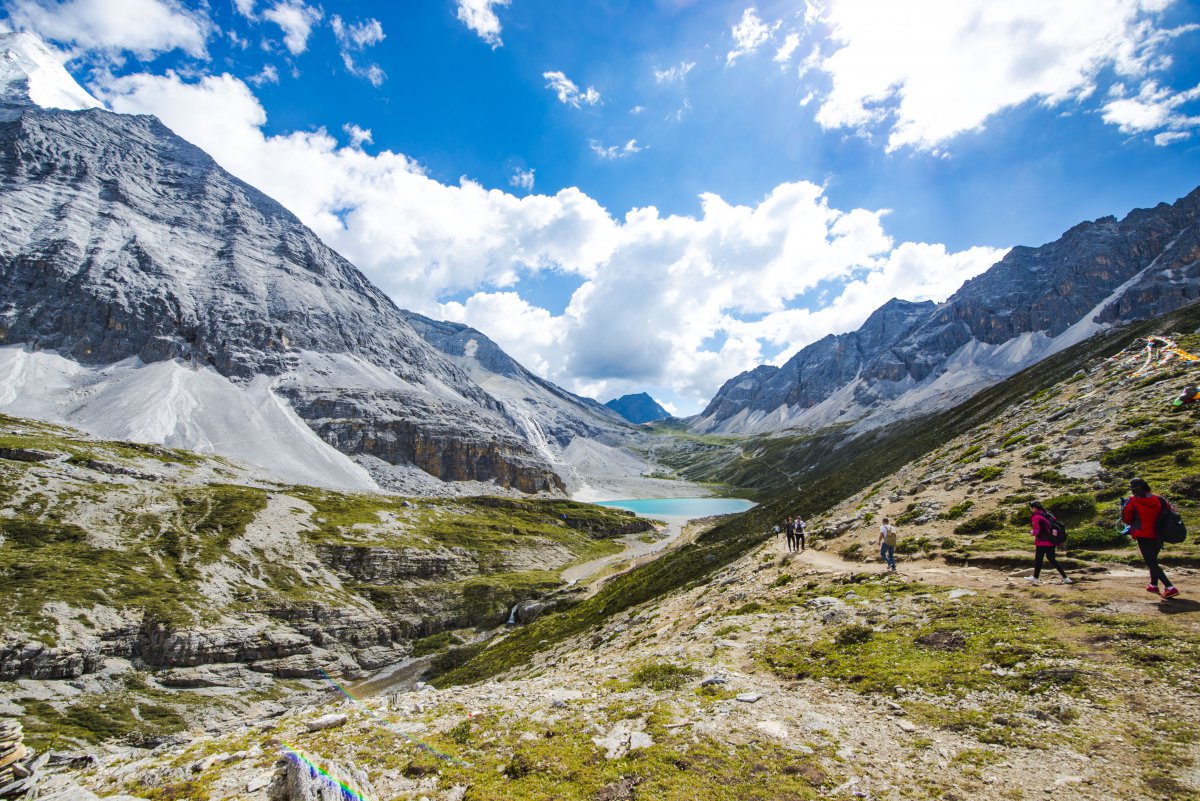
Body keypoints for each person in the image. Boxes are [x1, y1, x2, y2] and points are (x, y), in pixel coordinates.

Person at [1122, 478, 1181, 598]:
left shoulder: (1132, 501)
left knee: (1151, 562)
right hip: (1159, 535)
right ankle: (1154, 584)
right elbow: (1170, 512)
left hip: (1143, 536)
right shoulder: (1159, 499)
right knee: (1153, 560)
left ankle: (1170, 587)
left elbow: (1126, 519)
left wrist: (1123, 509)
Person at [1027, 502, 1072, 585]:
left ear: (1035, 508)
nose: (1031, 509)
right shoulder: (1048, 515)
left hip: (1042, 542)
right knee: (1052, 559)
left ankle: (1035, 578)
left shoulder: (1036, 517)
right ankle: (1066, 578)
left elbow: (1036, 532)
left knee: (1038, 560)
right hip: (1052, 541)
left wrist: (1031, 532)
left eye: (1031, 508)